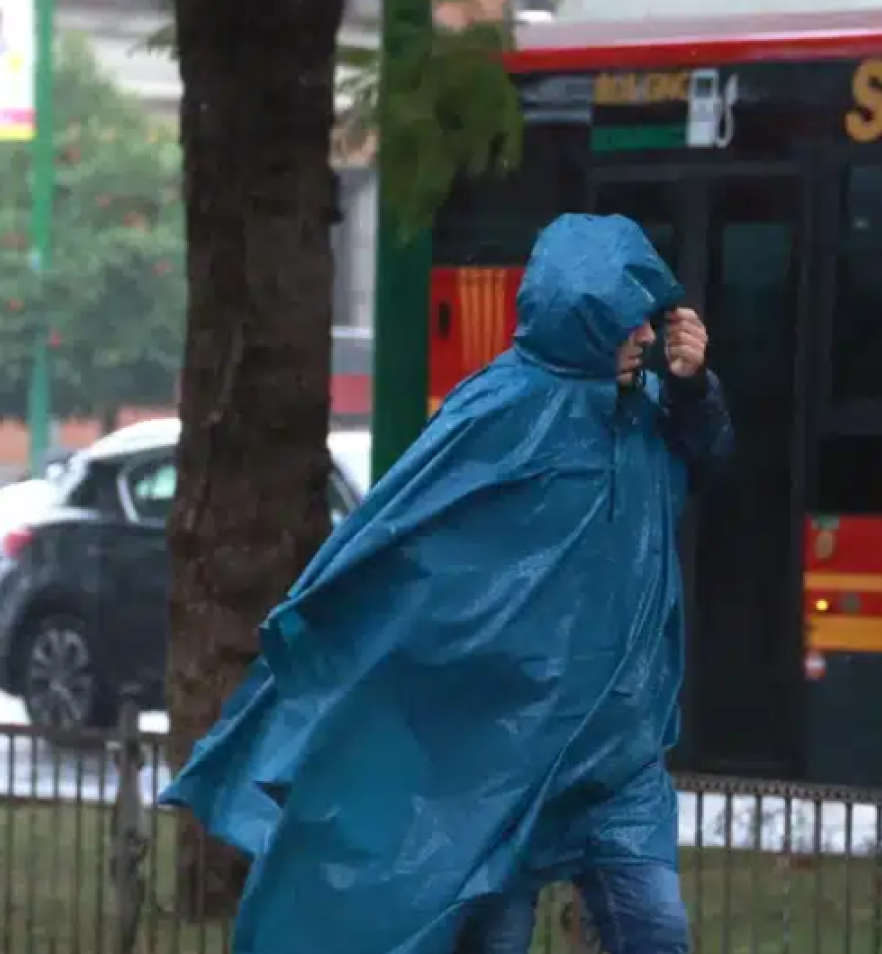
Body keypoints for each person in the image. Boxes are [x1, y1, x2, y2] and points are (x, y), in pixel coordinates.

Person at [160, 214, 734, 954]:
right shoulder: (494, 413)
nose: (649, 338)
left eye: (652, 320)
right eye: (631, 319)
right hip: (498, 753)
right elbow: (401, 545)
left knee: (656, 930)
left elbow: (709, 462)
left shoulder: (650, 413)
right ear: (586, 317)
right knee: (495, 937)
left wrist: (695, 390)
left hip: (617, 752)